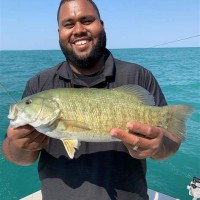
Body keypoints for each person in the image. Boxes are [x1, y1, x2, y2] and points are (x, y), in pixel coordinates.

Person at [2, 0, 181, 199]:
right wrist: (18, 145)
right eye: (68, 24)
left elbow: (170, 145)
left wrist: (159, 146)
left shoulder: (138, 76)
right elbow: (19, 158)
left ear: (101, 25)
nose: (78, 30)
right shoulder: (39, 84)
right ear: (59, 32)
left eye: (87, 20)